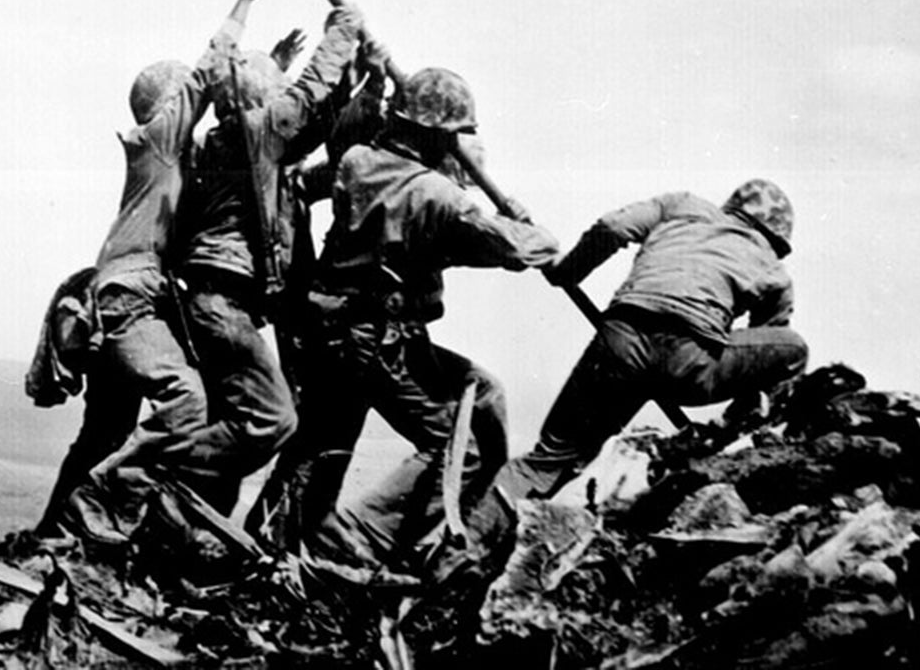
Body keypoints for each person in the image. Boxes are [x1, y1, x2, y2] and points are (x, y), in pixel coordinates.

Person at [269, 66, 559, 569]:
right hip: (377, 339)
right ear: (435, 134)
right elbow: (518, 251)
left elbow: (313, 181)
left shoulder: (358, 162)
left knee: (331, 439)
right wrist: (526, 223)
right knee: (458, 444)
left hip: (329, 328)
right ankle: (362, 541)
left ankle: (285, 540)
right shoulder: (439, 196)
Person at [33, 0, 277, 539]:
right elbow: (207, 70)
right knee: (187, 401)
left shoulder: (169, 157)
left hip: (126, 298)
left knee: (106, 432)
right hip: (130, 298)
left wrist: (277, 68)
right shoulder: (160, 142)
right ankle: (100, 507)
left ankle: (52, 532)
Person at [488, 179, 809, 510]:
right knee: (794, 349)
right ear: (777, 237)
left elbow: (613, 226)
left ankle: (461, 537)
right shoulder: (775, 271)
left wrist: (568, 272)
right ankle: (725, 434)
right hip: (689, 365)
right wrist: (731, 425)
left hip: (619, 345)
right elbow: (763, 360)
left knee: (547, 462)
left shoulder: (682, 206)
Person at [170, 0, 366, 516]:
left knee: (233, 425)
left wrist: (363, 83)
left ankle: (189, 535)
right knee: (273, 420)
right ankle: (151, 472)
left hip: (220, 307)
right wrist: (341, 34)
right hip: (224, 307)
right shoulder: (254, 135)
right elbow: (305, 102)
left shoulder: (237, 148)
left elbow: (322, 127)